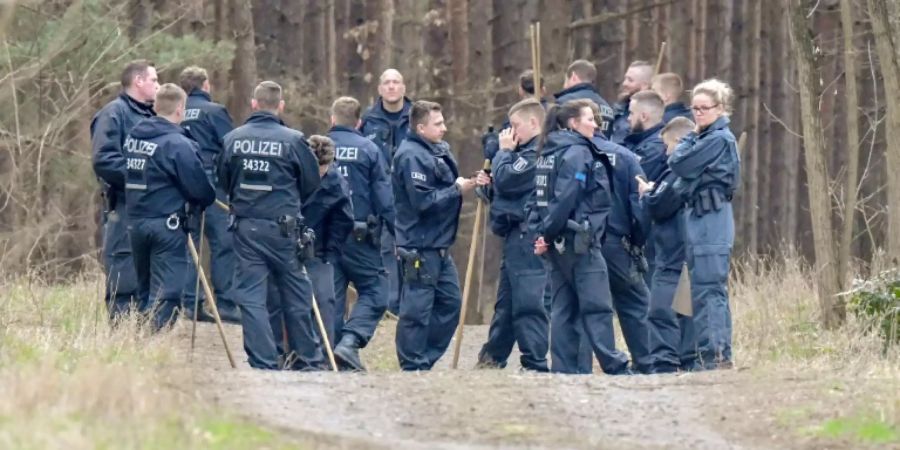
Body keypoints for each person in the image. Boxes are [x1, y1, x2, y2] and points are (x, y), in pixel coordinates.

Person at [220, 81, 325, 370]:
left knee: (251, 296)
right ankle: (307, 359)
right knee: (296, 294)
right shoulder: (294, 140)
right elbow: (311, 182)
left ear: (254, 103)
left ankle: (264, 360)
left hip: (246, 228)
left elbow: (223, 179)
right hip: (284, 230)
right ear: (280, 106)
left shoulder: (232, 139)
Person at [528, 99, 630, 375]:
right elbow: (565, 198)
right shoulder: (577, 153)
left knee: (564, 306)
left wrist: (543, 234)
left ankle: (565, 367)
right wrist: (548, 234)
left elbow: (538, 201)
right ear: (573, 123)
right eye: (589, 119)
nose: (595, 125)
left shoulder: (548, 153)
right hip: (578, 241)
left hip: (557, 242)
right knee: (597, 305)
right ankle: (614, 364)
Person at [123, 84, 216, 331]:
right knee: (168, 290)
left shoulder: (133, 138)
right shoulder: (178, 144)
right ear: (180, 109)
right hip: (166, 225)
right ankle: (153, 343)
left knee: (145, 288)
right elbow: (199, 189)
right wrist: (205, 199)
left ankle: (139, 340)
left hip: (135, 223)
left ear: (155, 107)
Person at [392, 100, 476, 371]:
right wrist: (456, 189)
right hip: (419, 244)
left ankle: (424, 360)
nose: (444, 128)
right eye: (438, 124)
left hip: (439, 244)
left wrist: (470, 183)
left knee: (451, 304)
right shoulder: (411, 156)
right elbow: (423, 202)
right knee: (416, 309)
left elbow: (442, 187)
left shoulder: (436, 151)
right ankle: (411, 364)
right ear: (420, 127)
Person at [669, 79, 741, 371]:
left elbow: (678, 163)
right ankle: (712, 354)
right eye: (694, 109)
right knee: (702, 288)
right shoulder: (706, 138)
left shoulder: (718, 139)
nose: (697, 114)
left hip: (712, 220)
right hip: (699, 219)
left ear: (720, 108)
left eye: (703, 108)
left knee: (709, 289)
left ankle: (715, 356)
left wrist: (688, 139)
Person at [474, 98, 550, 372]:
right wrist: (488, 185)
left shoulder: (538, 152)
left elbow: (510, 179)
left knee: (529, 302)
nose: (511, 133)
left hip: (529, 235)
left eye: (516, 126)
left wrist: (502, 154)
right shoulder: (521, 151)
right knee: (506, 304)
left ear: (534, 123)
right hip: (514, 236)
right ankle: (491, 358)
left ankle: (535, 362)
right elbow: (504, 189)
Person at [328, 97, 396, 372]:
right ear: (359, 123)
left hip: (324, 236)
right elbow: (383, 196)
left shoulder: (315, 146)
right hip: (359, 237)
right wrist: (398, 232)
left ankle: (329, 353)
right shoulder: (369, 149)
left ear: (332, 119)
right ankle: (349, 341)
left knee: (330, 297)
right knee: (377, 291)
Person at [586, 105, 653, 374]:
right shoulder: (626, 157)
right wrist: (637, 242)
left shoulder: (569, 154)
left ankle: (578, 364)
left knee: (584, 302)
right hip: (617, 241)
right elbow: (640, 206)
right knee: (635, 302)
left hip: (583, 240)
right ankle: (648, 361)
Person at [91, 60, 159, 321]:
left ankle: (148, 338)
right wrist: (141, 182)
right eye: (154, 80)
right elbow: (104, 160)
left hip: (155, 211)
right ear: (138, 81)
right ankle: (122, 338)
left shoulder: (153, 116)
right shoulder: (114, 114)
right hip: (124, 207)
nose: (158, 86)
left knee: (151, 279)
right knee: (124, 276)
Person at [178, 66, 240, 324]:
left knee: (189, 244)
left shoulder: (176, 112)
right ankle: (225, 303)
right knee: (222, 243)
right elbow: (230, 148)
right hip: (213, 184)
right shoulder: (214, 111)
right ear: (205, 85)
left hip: (182, 184)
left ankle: (191, 304)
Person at [638, 116, 696, 373]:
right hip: (685, 248)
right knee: (685, 307)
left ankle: (664, 361)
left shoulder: (677, 171)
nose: (665, 152)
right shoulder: (696, 168)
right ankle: (688, 358)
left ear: (678, 141)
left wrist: (647, 193)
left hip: (672, 250)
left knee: (661, 308)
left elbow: (659, 205)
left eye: (667, 145)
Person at [360, 68, 413, 316]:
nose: (392, 87)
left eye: (396, 82)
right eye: (387, 83)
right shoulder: (368, 121)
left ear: (403, 88)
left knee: (406, 249)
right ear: (380, 89)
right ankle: (386, 306)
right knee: (380, 250)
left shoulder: (417, 118)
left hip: (410, 197)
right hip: (375, 197)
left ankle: (407, 304)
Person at [622, 90, 669, 289]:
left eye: (631, 113)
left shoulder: (654, 148)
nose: (627, 119)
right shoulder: (639, 144)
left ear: (644, 116)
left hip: (649, 232)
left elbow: (630, 184)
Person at [482, 70, 548, 161]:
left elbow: (494, 153)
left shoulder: (517, 118)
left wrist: (491, 139)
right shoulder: (555, 113)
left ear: (520, 90)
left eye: (515, 126)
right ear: (543, 89)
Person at [554, 60, 615, 138]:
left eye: (565, 81)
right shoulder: (607, 107)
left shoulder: (564, 103)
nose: (564, 86)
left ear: (573, 77)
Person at [611, 61, 653, 144]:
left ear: (644, 86)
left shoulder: (651, 115)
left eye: (630, 80)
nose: (624, 83)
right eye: (625, 79)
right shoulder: (618, 107)